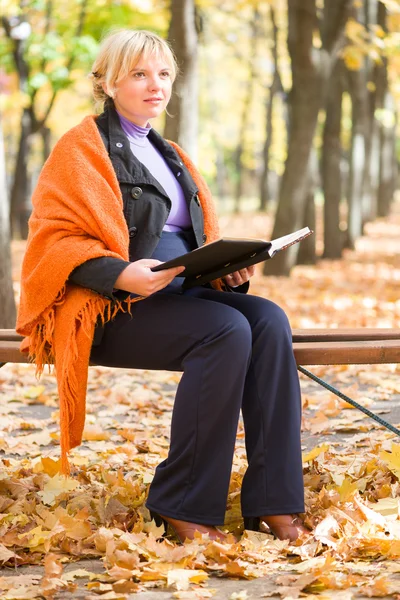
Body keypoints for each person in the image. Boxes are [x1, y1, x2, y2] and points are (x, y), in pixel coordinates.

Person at [16, 29, 307, 543]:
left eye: (165, 74)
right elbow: (53, 240)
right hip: (111, 306)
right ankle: (183, 504)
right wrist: (117, 272)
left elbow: (195, 237)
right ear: (107, 82)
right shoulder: (81, 149)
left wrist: (229, 268)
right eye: (140, 74)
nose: (156, 85)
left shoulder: (170, 152)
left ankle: (276, 501)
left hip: (181, 293)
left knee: (266, 320)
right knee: (224, 331)